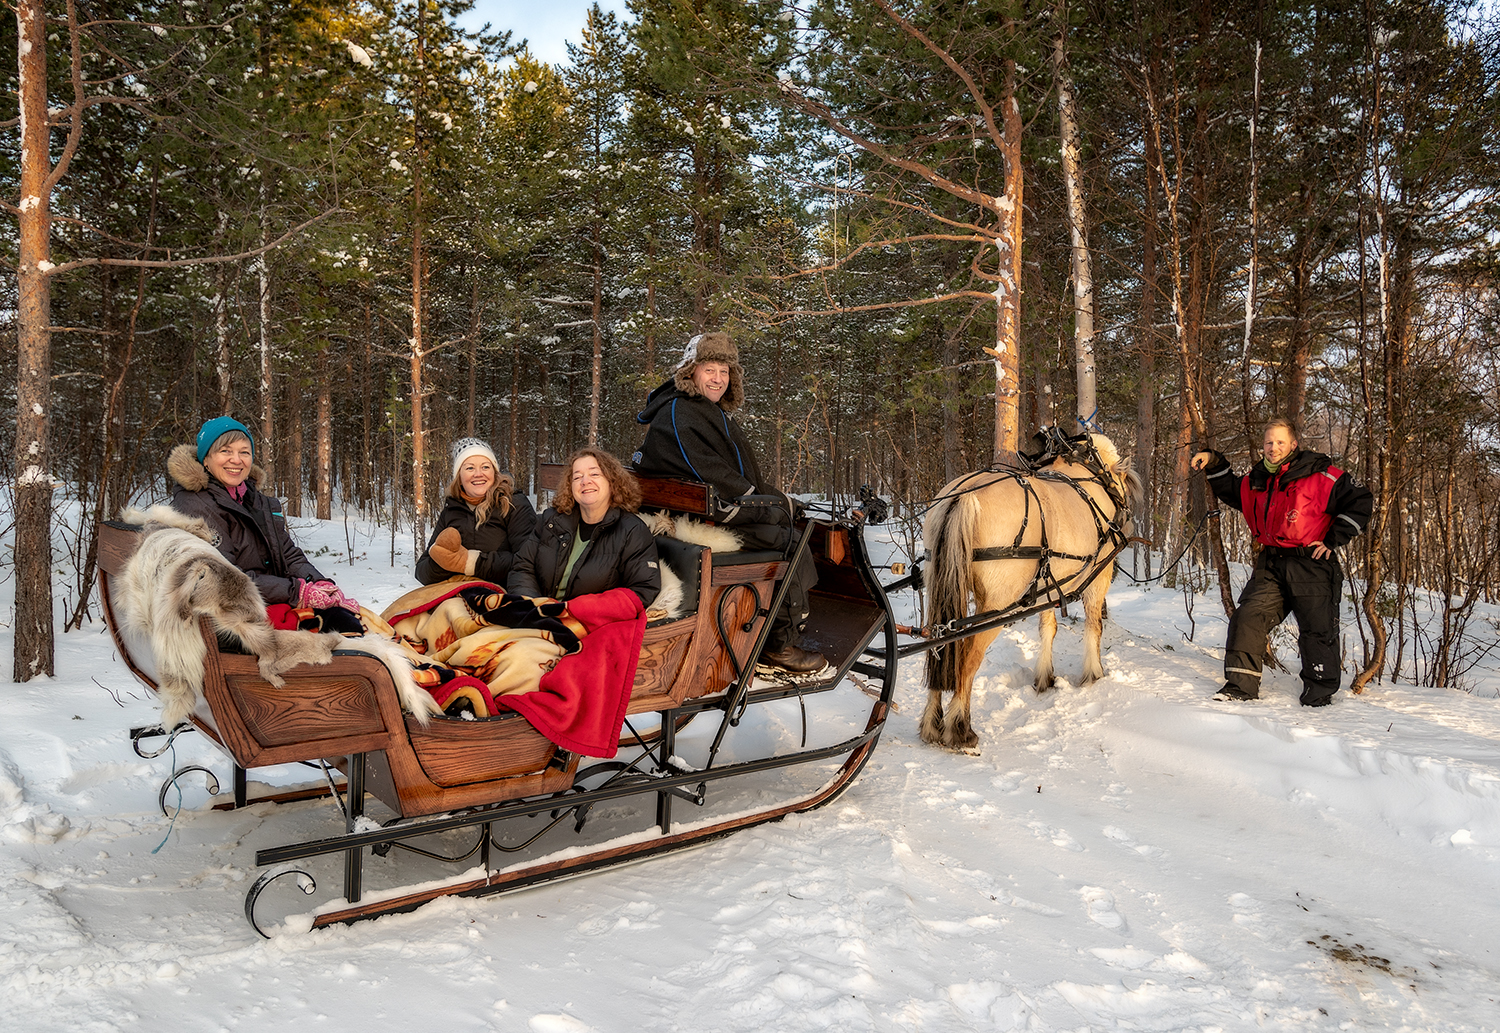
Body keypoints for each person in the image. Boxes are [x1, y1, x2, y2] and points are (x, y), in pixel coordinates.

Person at [633, 332, 826, 674]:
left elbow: (727, 475)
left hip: (697, 509)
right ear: (691, 371)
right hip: (698, 519)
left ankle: (773, 620)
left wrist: (778, 499)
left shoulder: (693, 409)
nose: (718, 379)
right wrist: (769, 505)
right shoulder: (684, 413)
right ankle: (777, 646)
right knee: (789, 539)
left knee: (781, 519)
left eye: (724, 371)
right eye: (710, 369)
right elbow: (714, 476)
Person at [1190, 418, 1373, 707]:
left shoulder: (1322, 475)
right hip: (1272, 562)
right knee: (1249, 616)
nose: (1273, 448)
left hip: (1311, 563)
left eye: (1280, 442)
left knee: (1317, 628)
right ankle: (1241, 687)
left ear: (1293, 444)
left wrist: (1332, 539)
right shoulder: (1257, 480)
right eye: (1269, 442)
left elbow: (1361, 501)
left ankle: (1319, 694)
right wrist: (1212, 460)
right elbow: (1230, 488)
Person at [168, 416, 362, 633]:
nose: (236, 459)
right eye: (225, 451)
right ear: (206, 459)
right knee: (340, 626)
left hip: (264, 600)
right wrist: (298, 592)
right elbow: (223, 577)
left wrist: (319, 583)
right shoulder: (196, 504)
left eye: (244, 452)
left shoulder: (254, 500)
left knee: (351, 618)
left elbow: (288, 554)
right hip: (228, 617)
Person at [509, 448, 661, 607]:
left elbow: (643, 589)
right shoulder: (550, 521)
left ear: (612, 481)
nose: (585, 481)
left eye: (594, 474)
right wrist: (532, 606)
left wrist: (576, 612)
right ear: (570, 486)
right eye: (577, 477)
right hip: (537, 616)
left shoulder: (632, 531)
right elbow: (522, 568)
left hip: (588, 624)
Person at [417, 437, 538, 586]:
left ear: (494, 472)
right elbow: (421, 571)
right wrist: (445, 560)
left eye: (485, 467)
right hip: (458, 593)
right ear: (459, 477)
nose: (478, 474)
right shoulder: (451, 509)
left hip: (505, 594)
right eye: (469, 468)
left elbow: (528, 561)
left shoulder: (514, 504)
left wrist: (470, 562)